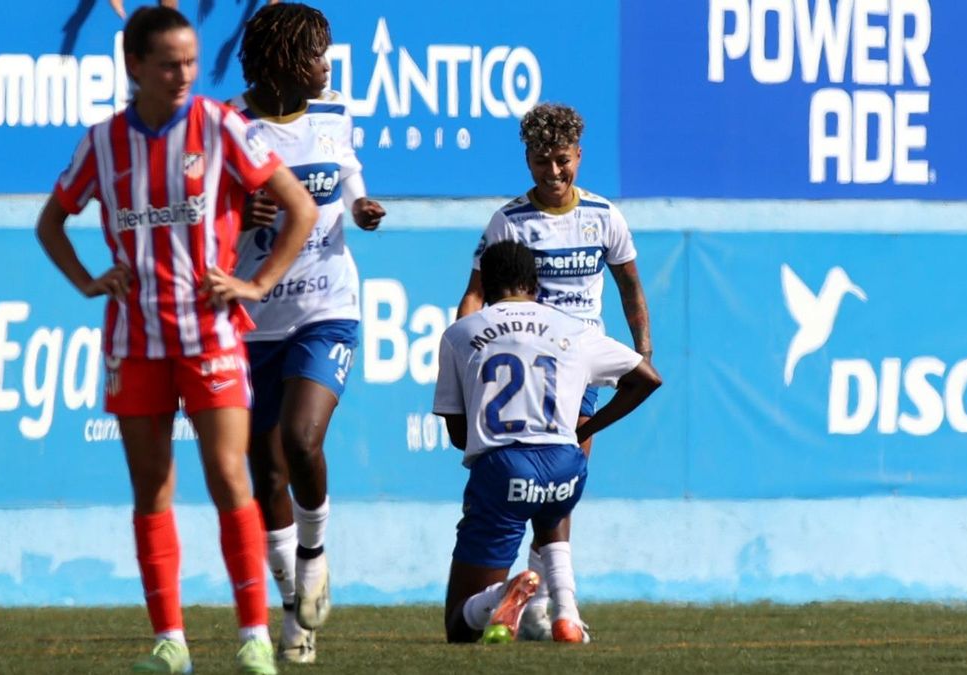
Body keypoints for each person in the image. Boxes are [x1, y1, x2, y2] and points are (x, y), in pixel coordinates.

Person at [35, 7, 318, 674]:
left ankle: (253, 635)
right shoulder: (102, 143)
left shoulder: (220, 126)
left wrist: (256, 284)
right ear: (134, 66)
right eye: (169, 63)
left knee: (228, 475)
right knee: (152, 489)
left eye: (191, 60)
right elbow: (52, 222)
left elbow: (298, 207)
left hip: (210, 336)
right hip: (134, 343)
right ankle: (171, 642)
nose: (184, 73)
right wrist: (85, 282)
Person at [455, 102, 654, 641]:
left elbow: (630, 286)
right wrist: (464, 353)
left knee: (559, 492)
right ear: (527, 159)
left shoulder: (604, 216)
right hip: (525, 366)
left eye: (563, 160)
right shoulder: (509, 222)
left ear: (579, 156)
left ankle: (543, 605)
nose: (554, 172)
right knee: (536, 489)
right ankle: (553, 604)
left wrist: (643, 350)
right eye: (542, 161)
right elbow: (476, 293)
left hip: (581, 373)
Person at [227, 2, 386, 664]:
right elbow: (198, 210)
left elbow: (346, 174)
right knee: (265, 470)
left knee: (301, 439)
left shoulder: (333, 113)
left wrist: (360, 205)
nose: (327, 64)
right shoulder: (229, 124)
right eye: (318, 54)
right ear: (288, 61)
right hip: (253, 318)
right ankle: (294, 608)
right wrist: (238, 210)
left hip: (327, 303)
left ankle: (316, 552)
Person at [436, 241, 661, 644]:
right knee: (550, 503)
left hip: (503, 468)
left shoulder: (460, 334)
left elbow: (458, 435)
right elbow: (647, 377)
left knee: (459, 624)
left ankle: (502, 594)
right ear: (535, 285)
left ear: (485, 287)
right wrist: (585, 430)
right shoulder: (573, 329)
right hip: (564, 466)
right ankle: (567, 614)